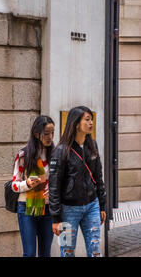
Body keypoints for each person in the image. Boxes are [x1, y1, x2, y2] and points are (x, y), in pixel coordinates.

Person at [49, 106, 107, 257]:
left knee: (95, 251)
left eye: (91, 119)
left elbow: (98, 178)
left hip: (92, 205)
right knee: (67, 252)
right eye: (87, 120)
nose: (91, 123)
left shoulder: (92, 146)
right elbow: (54, 186)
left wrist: (102, 205)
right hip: (68, 210)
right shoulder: (61, 151)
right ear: (76, 123)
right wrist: (56, 218)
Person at [11, 115, 55, 257]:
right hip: (26, 208)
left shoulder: (55, 155)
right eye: (46, 133)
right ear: (36, 134)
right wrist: (27, 183)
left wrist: (53, 189)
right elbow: (14, 185)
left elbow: (60, 181)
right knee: (29, 253)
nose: (50, 137)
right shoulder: (24, 155)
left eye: (52, 133)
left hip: (48, 208)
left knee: (45, 253)